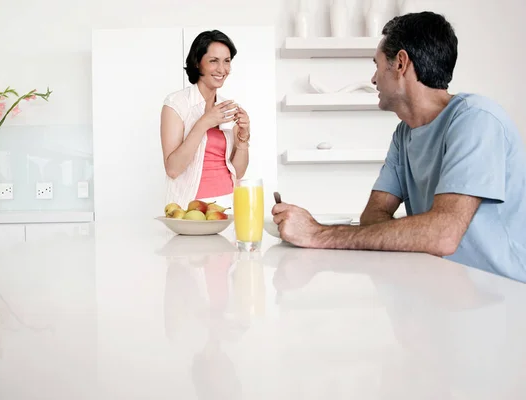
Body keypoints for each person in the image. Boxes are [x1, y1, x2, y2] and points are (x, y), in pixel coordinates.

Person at [272, 11, 526, 283]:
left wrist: (318, 234)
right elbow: (372, 216)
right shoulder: (404, 133)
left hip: (502, 297)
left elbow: (442, 235)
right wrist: (419, 232)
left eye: (377, 65)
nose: (373, 79)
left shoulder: (477, 120)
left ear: (400, 63)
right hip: (441, 288)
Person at [161, 30, 251, 210]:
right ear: (197, 62)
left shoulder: (228, 107)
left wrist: (243, 137)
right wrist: (203, 123)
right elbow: (173, 169)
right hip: (190, 207)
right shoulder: (176, 104)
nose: (222, 69)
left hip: (228, 205)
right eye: (213, 61)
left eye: (227, 61)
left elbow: (238, 172)